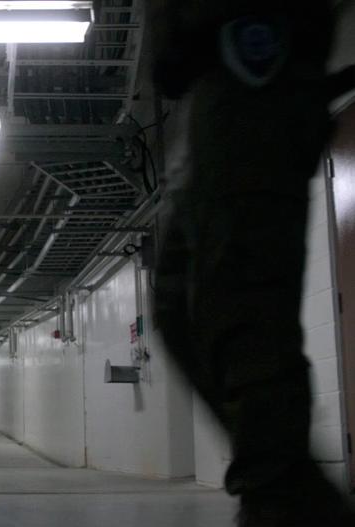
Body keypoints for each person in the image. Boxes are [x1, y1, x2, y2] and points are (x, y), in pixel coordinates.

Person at [149, 1, 355, 525]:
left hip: (251, 60)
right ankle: (295, 494)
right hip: (211, 83)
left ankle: (282, 502)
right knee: (178, 307)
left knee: (242, 311)